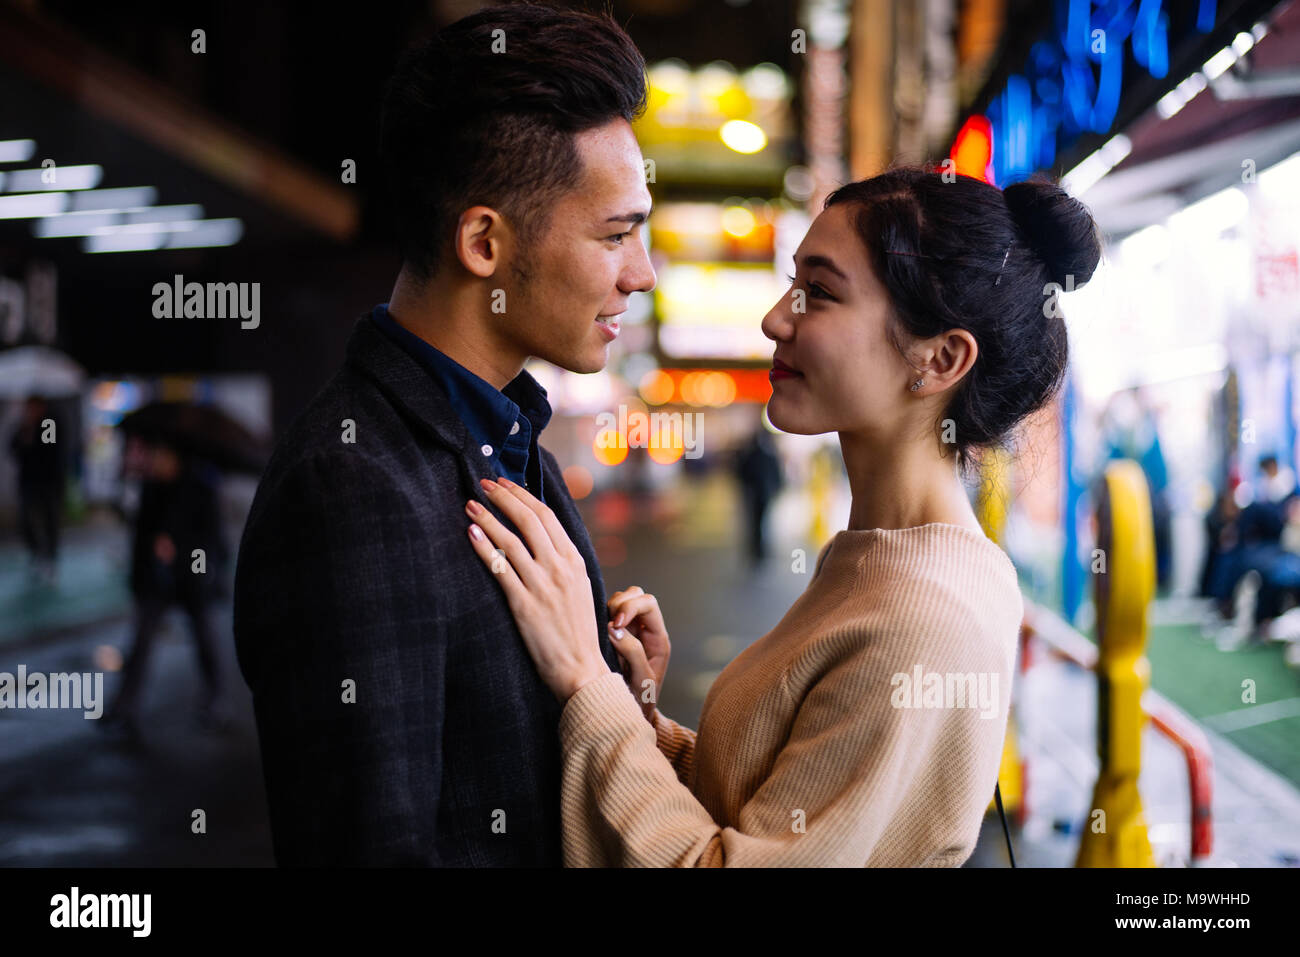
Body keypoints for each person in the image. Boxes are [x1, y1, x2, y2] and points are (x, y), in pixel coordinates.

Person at [464, 168, 1102, 866]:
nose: (774, 319)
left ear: (941, 357)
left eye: (819, 293)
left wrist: (586, 680)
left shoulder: (921, 616)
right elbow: (768, 805)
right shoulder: (892, 560)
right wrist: (637, 717)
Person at [232, 4, 654, 866]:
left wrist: (624, 697)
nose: (640, 274)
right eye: (616, 235)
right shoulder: (351, 486)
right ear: (483, 242)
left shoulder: (514, 441)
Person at [101, 436, 229, 739]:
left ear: (175, 457)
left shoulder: (200, 488)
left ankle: (214, 698)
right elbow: (140, 537)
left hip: (192, 580)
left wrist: (180, 552)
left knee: (204, 638)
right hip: (156, 581)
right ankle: (125, 705)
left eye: (160, 455)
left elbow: (212, 542)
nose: (155, 461)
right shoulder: (151, 489)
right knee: (141, 639)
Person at [8, 395, 65, 583]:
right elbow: (13, 448)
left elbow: (49, 450)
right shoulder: (23, 425)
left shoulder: (50, 423)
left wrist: (33, 438)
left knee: (49, 518)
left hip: (48, 480)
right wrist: (25, 435)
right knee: (26, 518)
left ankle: (50, 557)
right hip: (28, 481)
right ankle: (36, 552)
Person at [731, 421, 784, 564]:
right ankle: (758, 549)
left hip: (757, 493)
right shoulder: (766, 455)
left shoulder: (754, 455)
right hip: (760, 493)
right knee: (760, 521)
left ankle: (758, 549)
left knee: (757, 521)